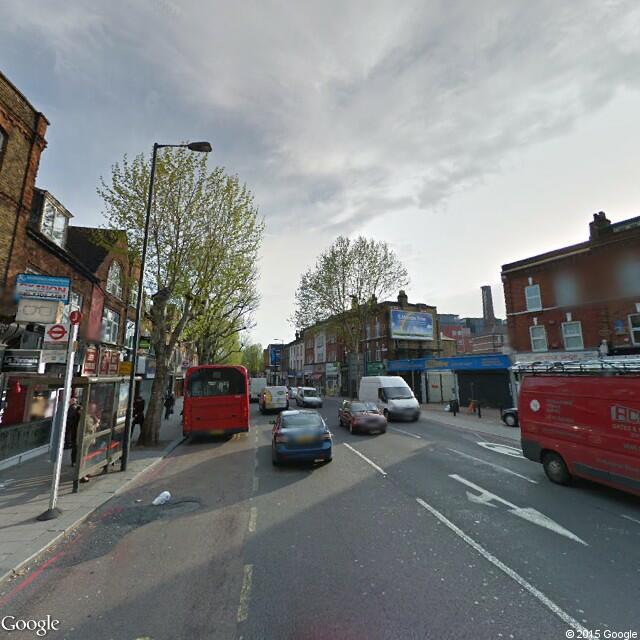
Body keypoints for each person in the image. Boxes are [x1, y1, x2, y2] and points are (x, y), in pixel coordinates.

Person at [66, 396, 82, 467]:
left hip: (74, 432)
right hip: (75, 433)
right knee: (75, 448)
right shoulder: (75, 412)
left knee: (75, 448)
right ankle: (74, 461)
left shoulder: (75, 411)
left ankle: (75, 461)